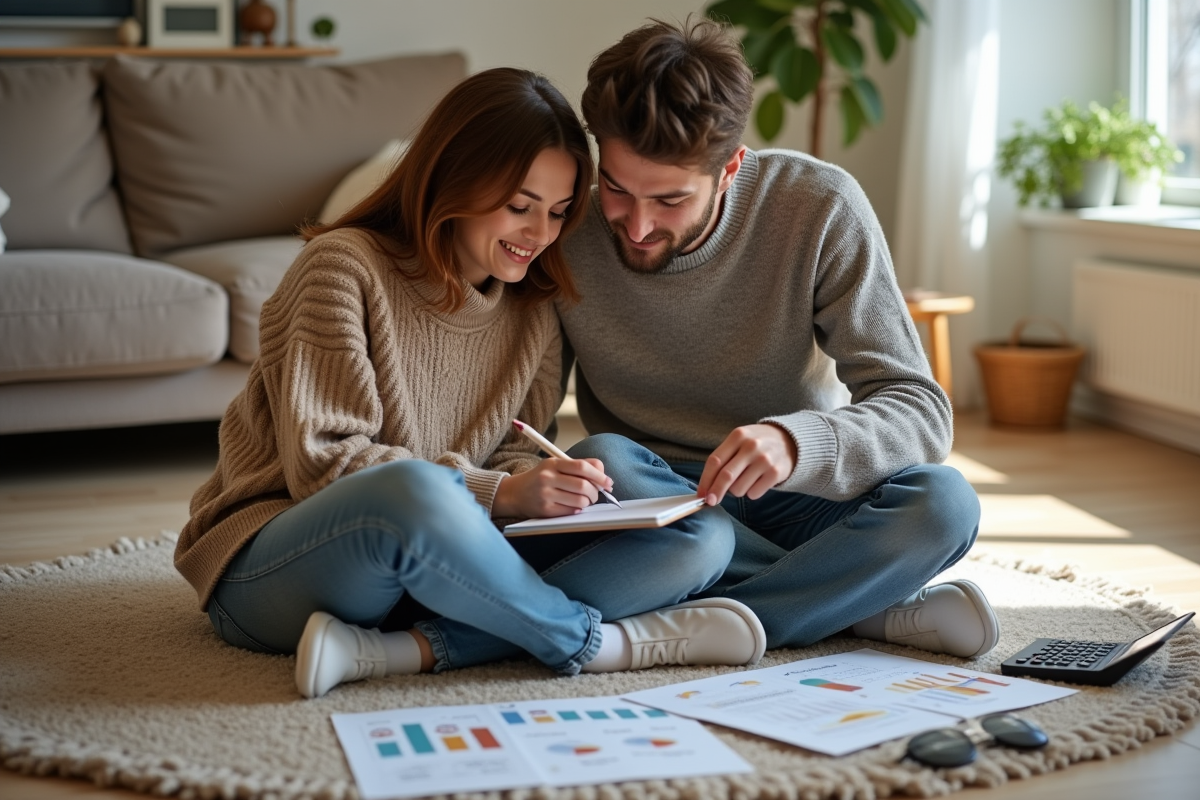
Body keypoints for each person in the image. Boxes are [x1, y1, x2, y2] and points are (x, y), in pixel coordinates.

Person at [174, 67, 766, 700]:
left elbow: (516, 447)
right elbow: (326, 465)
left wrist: (549, 490)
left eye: (560, 213)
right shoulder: (342, 269)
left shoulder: (533, 305)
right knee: (410, 490)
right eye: (520, 207)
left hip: (444, 572)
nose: (540, 236)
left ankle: (411, 650)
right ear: (454, 179)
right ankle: (593, 644)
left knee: (702, 538)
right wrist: (504, 493)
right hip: (281, 564)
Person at [556, 19, 999, 660]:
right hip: (654, 501)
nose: (637, 225)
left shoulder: (818, 206)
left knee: (945, 505)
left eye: (670, 200)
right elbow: (530, 415)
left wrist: (798, 441)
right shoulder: (566, 224)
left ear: (730, 167)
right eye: (618, 189)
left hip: (797, 494)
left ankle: (691, 620)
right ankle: (852, 609)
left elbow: (919, 409)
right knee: (607, 457)